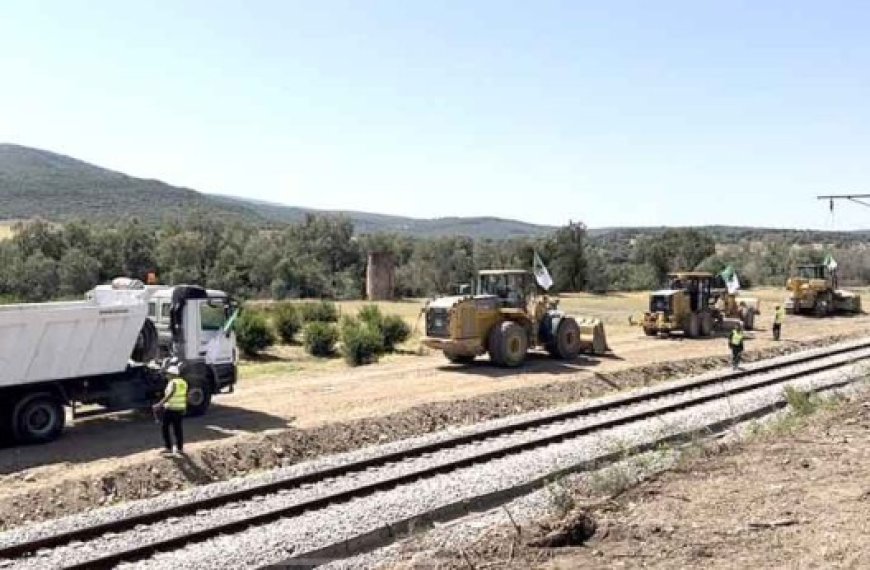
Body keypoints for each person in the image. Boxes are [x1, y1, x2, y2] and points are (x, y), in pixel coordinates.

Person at [153, 375, 188, 455]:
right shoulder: (183, 382)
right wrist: (185, 407)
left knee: (165, 428)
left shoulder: (173, 382)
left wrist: (159, 404)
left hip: (171, 409)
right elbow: (185, 395)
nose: (167, 376)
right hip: (180, 409)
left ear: (172, 374)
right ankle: (180, 449)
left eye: (168, 374)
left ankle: (169, 448)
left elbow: (170, 394)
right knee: (178, 429)